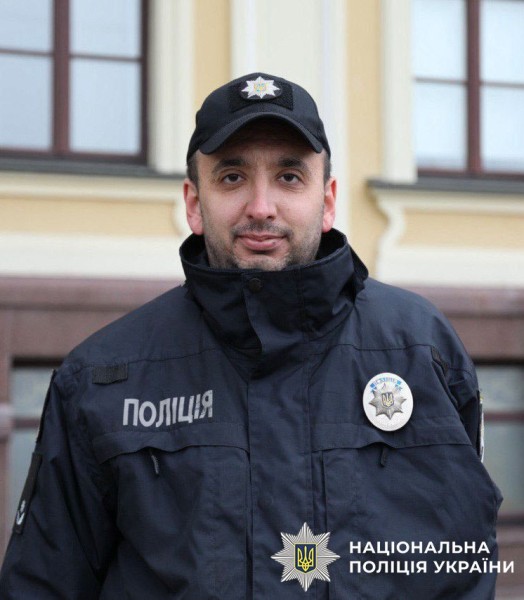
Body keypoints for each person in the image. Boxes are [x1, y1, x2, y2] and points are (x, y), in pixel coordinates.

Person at [0, 73, 501, 599]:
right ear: (194, 203)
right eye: (233, 177)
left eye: (289, 176)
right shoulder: (103, 378)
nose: (261, 207)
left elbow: (464, 565)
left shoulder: (422, 352)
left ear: (328, 200)